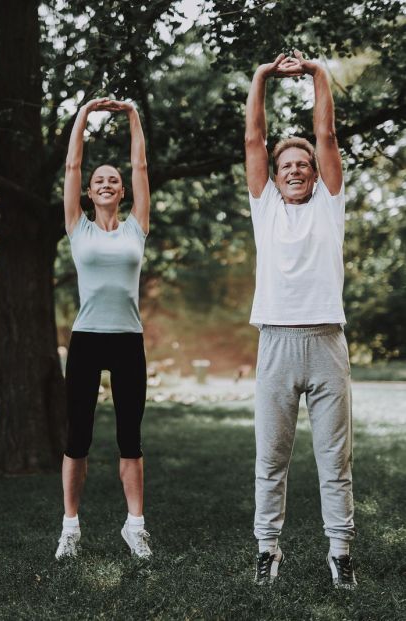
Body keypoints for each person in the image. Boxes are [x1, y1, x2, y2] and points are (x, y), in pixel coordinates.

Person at [245, 51, 356, 589]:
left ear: (315, 173)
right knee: (271, 458)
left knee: (335, 460)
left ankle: (341, 553)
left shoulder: (328, 204)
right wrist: (263, 76)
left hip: (327, 342)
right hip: (276, 343)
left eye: (302, 163)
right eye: (285, 163)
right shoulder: (264, 206)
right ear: (276, 173)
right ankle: (268, 549)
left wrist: (315, 73)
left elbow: (327, 134)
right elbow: (252, 141)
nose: (293, 169)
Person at [55, 97, 151, 560]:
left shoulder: (137, 227)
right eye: (100, 180)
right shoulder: (78, 228)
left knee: (130, 439)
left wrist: (132, 116)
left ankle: (135, 527)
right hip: (88, 338)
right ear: (89, 193)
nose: (108, 182)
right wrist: (85, 114)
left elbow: (141, 165)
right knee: (78, 438)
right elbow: (72, 164)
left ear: (122, 191)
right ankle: (70, 527)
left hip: (129, 340)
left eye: (114, 179)